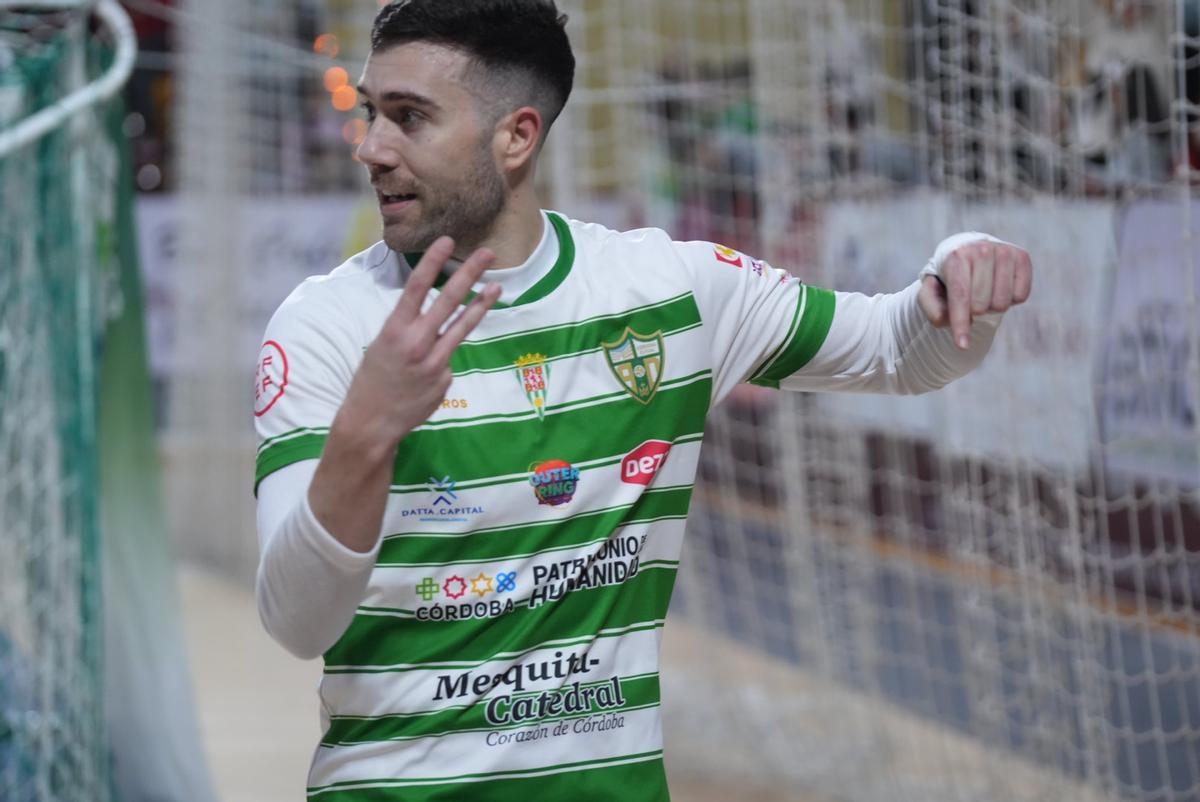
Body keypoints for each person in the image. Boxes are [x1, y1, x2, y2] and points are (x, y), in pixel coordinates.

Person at [252, 1, 1034, 798]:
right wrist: (365, 433)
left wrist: (959, 266)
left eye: (409, 118)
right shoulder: (327, 327)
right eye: (373, 112)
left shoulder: (669, 290)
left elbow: (899, 349)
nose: (372, 149)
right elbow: (294, 621)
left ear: (517, 136)